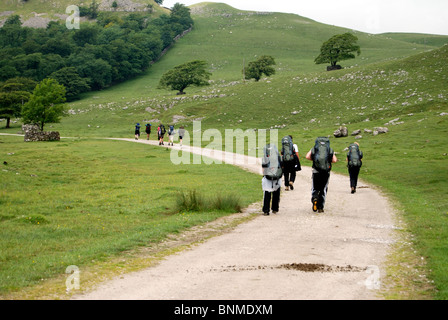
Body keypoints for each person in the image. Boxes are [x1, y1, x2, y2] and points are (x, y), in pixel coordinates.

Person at [305, 137, 337, 213]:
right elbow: (334, 160)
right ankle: (320, 207)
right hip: (326, 172)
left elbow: (307, 156)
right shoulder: (329, 149)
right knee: (323, 189)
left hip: (316, 171)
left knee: (315, 187)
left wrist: (315, 160)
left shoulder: (314, 148)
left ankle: (314, 198)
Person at [261, 144, 283, 216]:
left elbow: (263, 168)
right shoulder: (278, 157)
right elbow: (282, 166)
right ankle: (275, 209)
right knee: (276, 193)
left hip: (268, 178)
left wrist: (265, 174)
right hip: (277, 178)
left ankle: (266, 210)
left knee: (267, 193)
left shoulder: (265, 157)